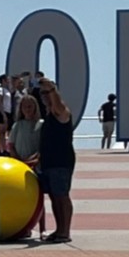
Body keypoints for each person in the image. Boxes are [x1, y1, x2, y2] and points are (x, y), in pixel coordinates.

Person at [32, 76, 77, 244]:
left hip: (61, 161)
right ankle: (59, 229)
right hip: (48, 162)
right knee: (54, 196)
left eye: (46, 94)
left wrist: (50, 89)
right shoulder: (48, 116)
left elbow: (57, 104)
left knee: (62, 196)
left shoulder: (61, 111)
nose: (44, 96)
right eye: (42, 94)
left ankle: (65, 231)